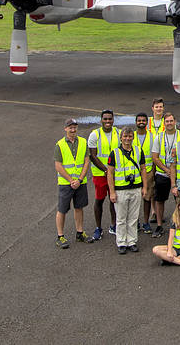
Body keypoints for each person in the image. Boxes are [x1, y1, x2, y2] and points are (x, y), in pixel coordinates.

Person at [106, 127, 151, 254]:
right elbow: (110, 173)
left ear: (133, 137)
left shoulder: (138, 150)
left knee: (133, 217)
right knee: (121, 218)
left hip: (136, 188)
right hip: (121, 190)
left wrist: (145, 187)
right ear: (121, 138)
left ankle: (131, 241)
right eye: (125, 136)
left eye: (130, 136)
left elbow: (143, 169)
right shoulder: (114, 153)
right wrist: (112, 191)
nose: (127, 139)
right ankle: (121, 242)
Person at [54, 118, 91, 248]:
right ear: (65, 129)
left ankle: (80, 233)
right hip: (66, 183)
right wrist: (71, 180)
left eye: (75, 127)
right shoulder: (60, 145)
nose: (73, 129)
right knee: (62, 209)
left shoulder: (83, 142)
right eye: (70, 127)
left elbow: (87, 161)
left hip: (80, 182)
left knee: (79, 207)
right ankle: (60, 236)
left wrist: (80, 179)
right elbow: (58, 166)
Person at [87, 109, 118, 241]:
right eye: (105, 119)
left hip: (116, 174)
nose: (107, 121)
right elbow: (93, 156)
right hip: (100, 173)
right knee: (99, 200)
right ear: (101, 120)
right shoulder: (95, 134)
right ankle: (98, 228)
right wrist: (106, 170)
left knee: (114, 199)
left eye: (110, 119)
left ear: (113, 120)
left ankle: (114, 225)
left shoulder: (119, 133)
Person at [149, 112, 178, 238]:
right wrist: (166, 169)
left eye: (171, 121)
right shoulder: (159, 137)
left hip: (178, 174)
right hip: (162, 173)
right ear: (164, 123)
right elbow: (155, 157)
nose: (169, 123)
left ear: (175, 122)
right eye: (167, 121)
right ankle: (160, 225)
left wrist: (174, 171)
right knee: (159, 200)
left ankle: (179, 225)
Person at [133, 113, 155, 234]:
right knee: (135, 199)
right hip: (134, 173)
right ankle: (135, 222)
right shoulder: (131, 136)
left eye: (143, 120)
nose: (141, 122)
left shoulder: (152, 137)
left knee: (147, 198)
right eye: (139, 120)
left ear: (147, 122)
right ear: (136, 122)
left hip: (148, 172)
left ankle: (146, 222)